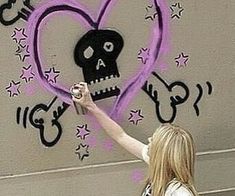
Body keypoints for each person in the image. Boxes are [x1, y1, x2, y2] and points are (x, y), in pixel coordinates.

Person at [71, 82, 199, 196]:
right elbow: (120, 135)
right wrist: (90, 106)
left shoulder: (179, 192)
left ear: (162, 154)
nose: (149, 140)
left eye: (153, 140)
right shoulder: (158, 166)